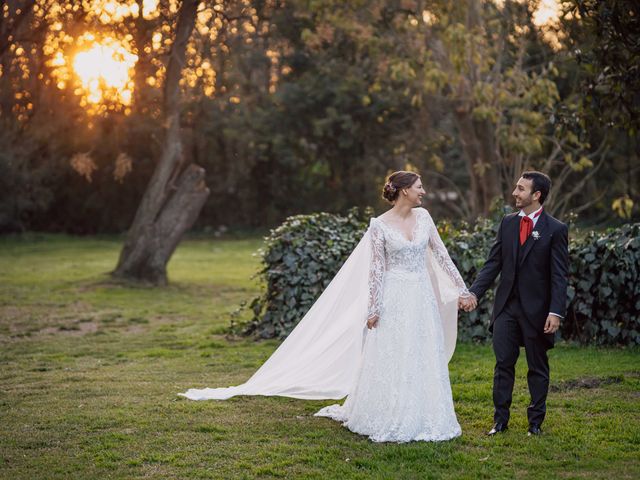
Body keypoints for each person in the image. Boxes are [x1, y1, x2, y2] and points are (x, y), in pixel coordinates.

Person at [180, 171, 474, 443]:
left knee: (422, 350)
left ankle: (427, 413)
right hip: (394, 295)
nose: (424, 191)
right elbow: (376, 270)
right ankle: (389, 412)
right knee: (394, 352)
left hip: (420, 295)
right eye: (419, 187)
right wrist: (373, 308)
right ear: (404, 191)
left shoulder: (424, 218)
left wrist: (462, 289)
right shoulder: (380, 226)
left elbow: (442, 255)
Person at [464, 171, 569, 437]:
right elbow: (493, 264)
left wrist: (555, 312)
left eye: (521, 189)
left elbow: (559, 275)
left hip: (538, 311)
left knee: (537, 366)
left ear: (537, 195)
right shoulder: (507, 223)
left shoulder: (556, 229)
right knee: (503, 365)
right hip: (506, 309)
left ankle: (535, 422)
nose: (515, 193)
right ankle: (500, 421)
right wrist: (474, 293)